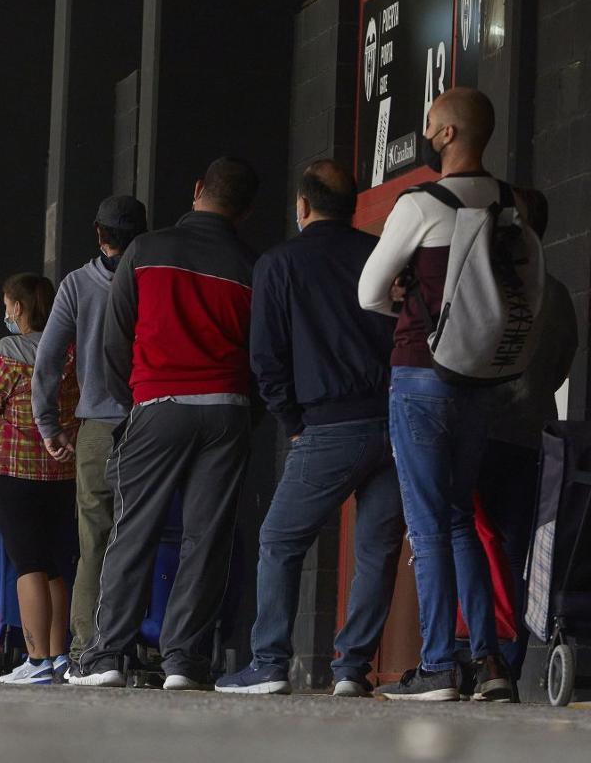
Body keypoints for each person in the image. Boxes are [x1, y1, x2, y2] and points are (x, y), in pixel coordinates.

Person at [213, 160, 403, 697]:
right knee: (375, 549)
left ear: (302, 206)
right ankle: (352, 670)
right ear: (354, 204)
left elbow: (266, 357)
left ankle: (270, 661)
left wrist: (293, 421)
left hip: (328, 424)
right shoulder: (379, 255)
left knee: (279, 540)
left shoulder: (279, 263)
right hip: (394, 422)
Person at [70, 157, 260, 690]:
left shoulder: (146, 250)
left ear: (197, 189)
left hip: (158, 402)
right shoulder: (252, 265)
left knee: (134, 529)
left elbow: (115, 339)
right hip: (228, 408)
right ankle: (184, 662)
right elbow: (265, 354)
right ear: (246, 211)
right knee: (207, 538)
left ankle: (106, 656)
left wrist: (133, 401)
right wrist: (248, 411)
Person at [359, 87, 513, 701]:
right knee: (458, 520)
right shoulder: (509, 203)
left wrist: (398, 296)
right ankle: (490, 664)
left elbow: (368, 290)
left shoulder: (420, 203)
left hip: (421, 373)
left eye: (428, 123)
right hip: (479, 380)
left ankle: (437, 666)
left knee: (426, 526)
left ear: (448, 134)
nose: (423, 130)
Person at [32, 194, 148, 662]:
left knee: (93, 538)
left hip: (97, 426)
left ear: (98, 235)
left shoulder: (77, 284)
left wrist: (48, 423)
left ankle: (87, 649)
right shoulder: (151, 279)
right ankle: (135, 642)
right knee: (142, 534)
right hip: (149, 423)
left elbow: (49, 357)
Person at [477, 190, 577, 681]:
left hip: (483, 434)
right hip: (530, 439)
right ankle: (505, 667)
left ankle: (467, 660)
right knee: (514, 553)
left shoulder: (493, 280)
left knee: (469, 545)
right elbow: (559, 370)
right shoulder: (558, 294)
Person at [0, 273, 80, 685]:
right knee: (55, 566)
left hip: (13, 471)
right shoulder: (68, 352)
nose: (5, 312)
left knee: (28, 562)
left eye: (6, 304)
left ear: (17, 307)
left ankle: (34, 660)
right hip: (60, 470)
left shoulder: (7, 353)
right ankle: (56, 657)